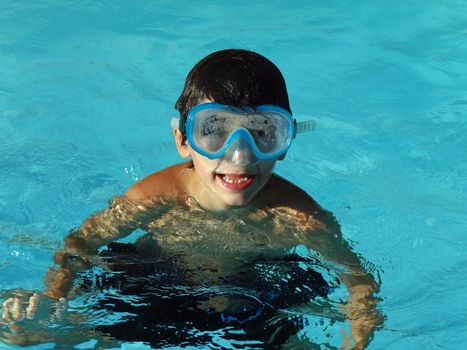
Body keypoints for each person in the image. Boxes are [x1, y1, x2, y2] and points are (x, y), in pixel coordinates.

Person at [1, 49, 382, 349]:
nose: (240, 155)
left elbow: (359, 281)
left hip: (252, 295)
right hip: (155, 280)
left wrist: (358, 334)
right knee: (24, 335)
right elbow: (80, 245)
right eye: (214, 132)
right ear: (183, 140)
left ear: (285, 144)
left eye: (264, 132)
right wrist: (54, 297)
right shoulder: (155, 196)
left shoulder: (302, 218)